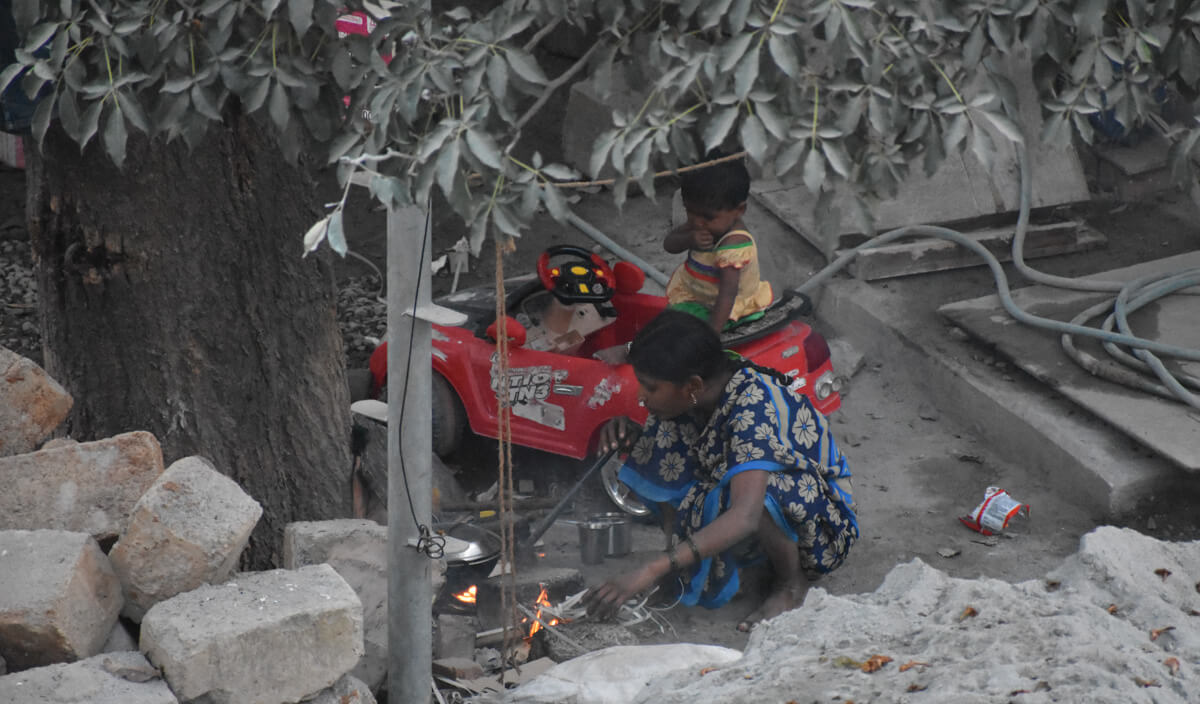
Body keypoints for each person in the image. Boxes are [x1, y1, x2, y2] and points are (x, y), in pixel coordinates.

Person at [583, 310, 858, 631]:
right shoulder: (697, 395)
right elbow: (686, 456)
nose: (641, 398)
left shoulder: (753, 409)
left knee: (764, 486)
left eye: (650, 388)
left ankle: (791, 585)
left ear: (693, 385)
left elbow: (745, 515)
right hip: (738, 492)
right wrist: (634, 434)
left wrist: (651, 569)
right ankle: (679, 565)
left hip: (822, 525)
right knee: (658, 440)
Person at [663, 151, 774, 334]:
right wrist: (688, 239)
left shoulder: (734, 244)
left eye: (707, 217)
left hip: (726, 313)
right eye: (690, 211)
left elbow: (727, 294)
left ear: (739, 210)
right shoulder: (700, 222)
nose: (698, 222)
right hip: (697, 298)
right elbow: (669, 245)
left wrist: (712, 334)